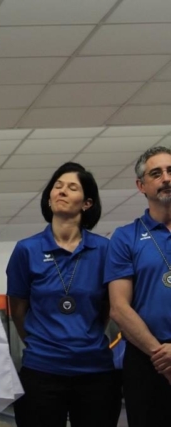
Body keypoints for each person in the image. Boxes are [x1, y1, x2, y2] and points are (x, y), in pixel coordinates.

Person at [6, 162, 121, 427]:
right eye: (57, 186)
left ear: (87, 203)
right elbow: (18, 310)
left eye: (72, 188)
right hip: (41, 370)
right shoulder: (26, 250)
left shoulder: (104, 250)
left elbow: (107, 308)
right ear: (49, 198)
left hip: (95, 371)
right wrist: (41, 343)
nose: (62, 191)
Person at [105, 146, 171, 426]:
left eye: (170, 171)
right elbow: (119, 308)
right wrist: (161, 356)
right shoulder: (125, 237)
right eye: (156, 173)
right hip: (146, 360)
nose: (166, 178)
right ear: (141, 186)